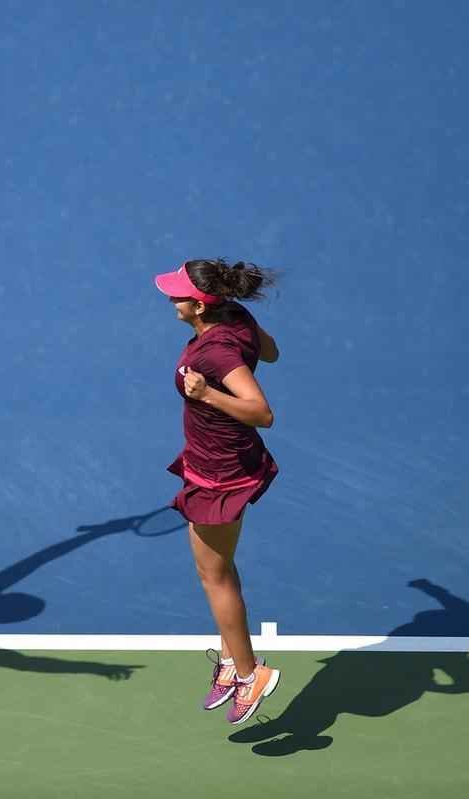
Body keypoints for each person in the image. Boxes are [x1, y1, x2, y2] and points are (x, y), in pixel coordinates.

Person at [153, 258, 281, 725]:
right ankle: (232, 659)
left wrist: (206, 394)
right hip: (227, 458)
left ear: (199, 304)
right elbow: (270, 353)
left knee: (214, 576)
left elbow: (261, 412)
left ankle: (250, 675)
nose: (170, 299)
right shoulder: (236, 318)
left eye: (177, 293)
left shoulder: (213, 355)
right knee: (222, 568)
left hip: (219, 473)